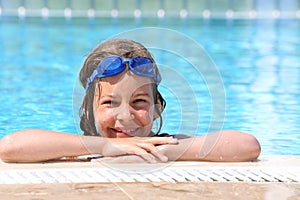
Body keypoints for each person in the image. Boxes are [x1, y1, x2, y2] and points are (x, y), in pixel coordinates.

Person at [0, 39, 261, 163]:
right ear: (86, 109)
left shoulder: (169, 143)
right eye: (110, 103)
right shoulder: (74, 148)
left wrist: (162, 150)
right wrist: (102, 146)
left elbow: (248, 146)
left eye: (138, 102)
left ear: (157, 108)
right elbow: (10, 147)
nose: (125, 116)